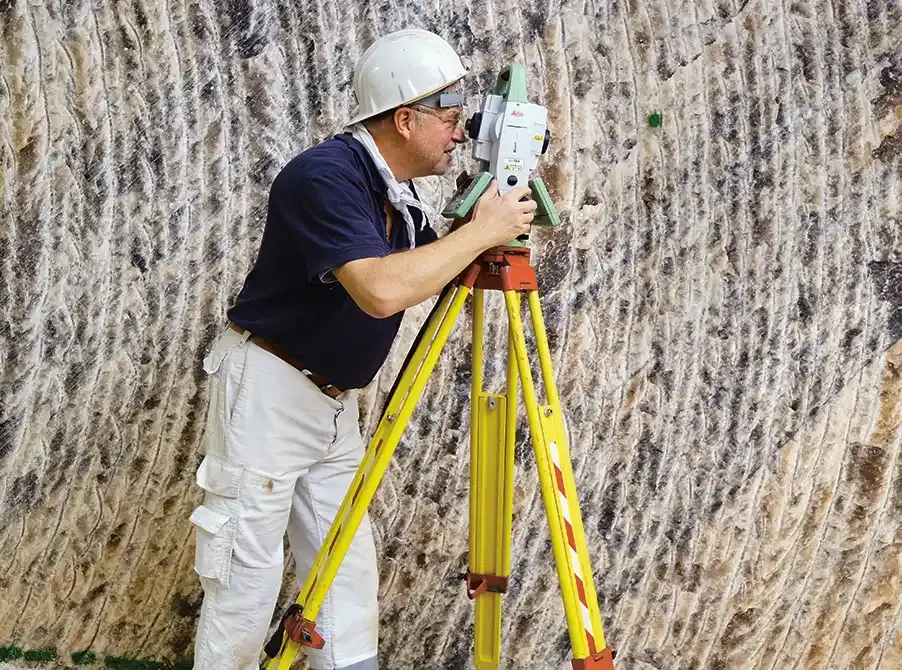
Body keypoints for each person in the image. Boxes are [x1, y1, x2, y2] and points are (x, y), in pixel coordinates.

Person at [188, 28, 537, 670]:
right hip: (269, 394)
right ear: (405, 119)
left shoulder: (396, 194)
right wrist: (480, 232)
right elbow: (380, 291)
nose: (461, 133)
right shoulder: (324, 176)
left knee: (345, 577)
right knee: (244, 581)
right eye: (450, 118)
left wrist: (479, 229)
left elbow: (431, 269)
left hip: (332, 406)